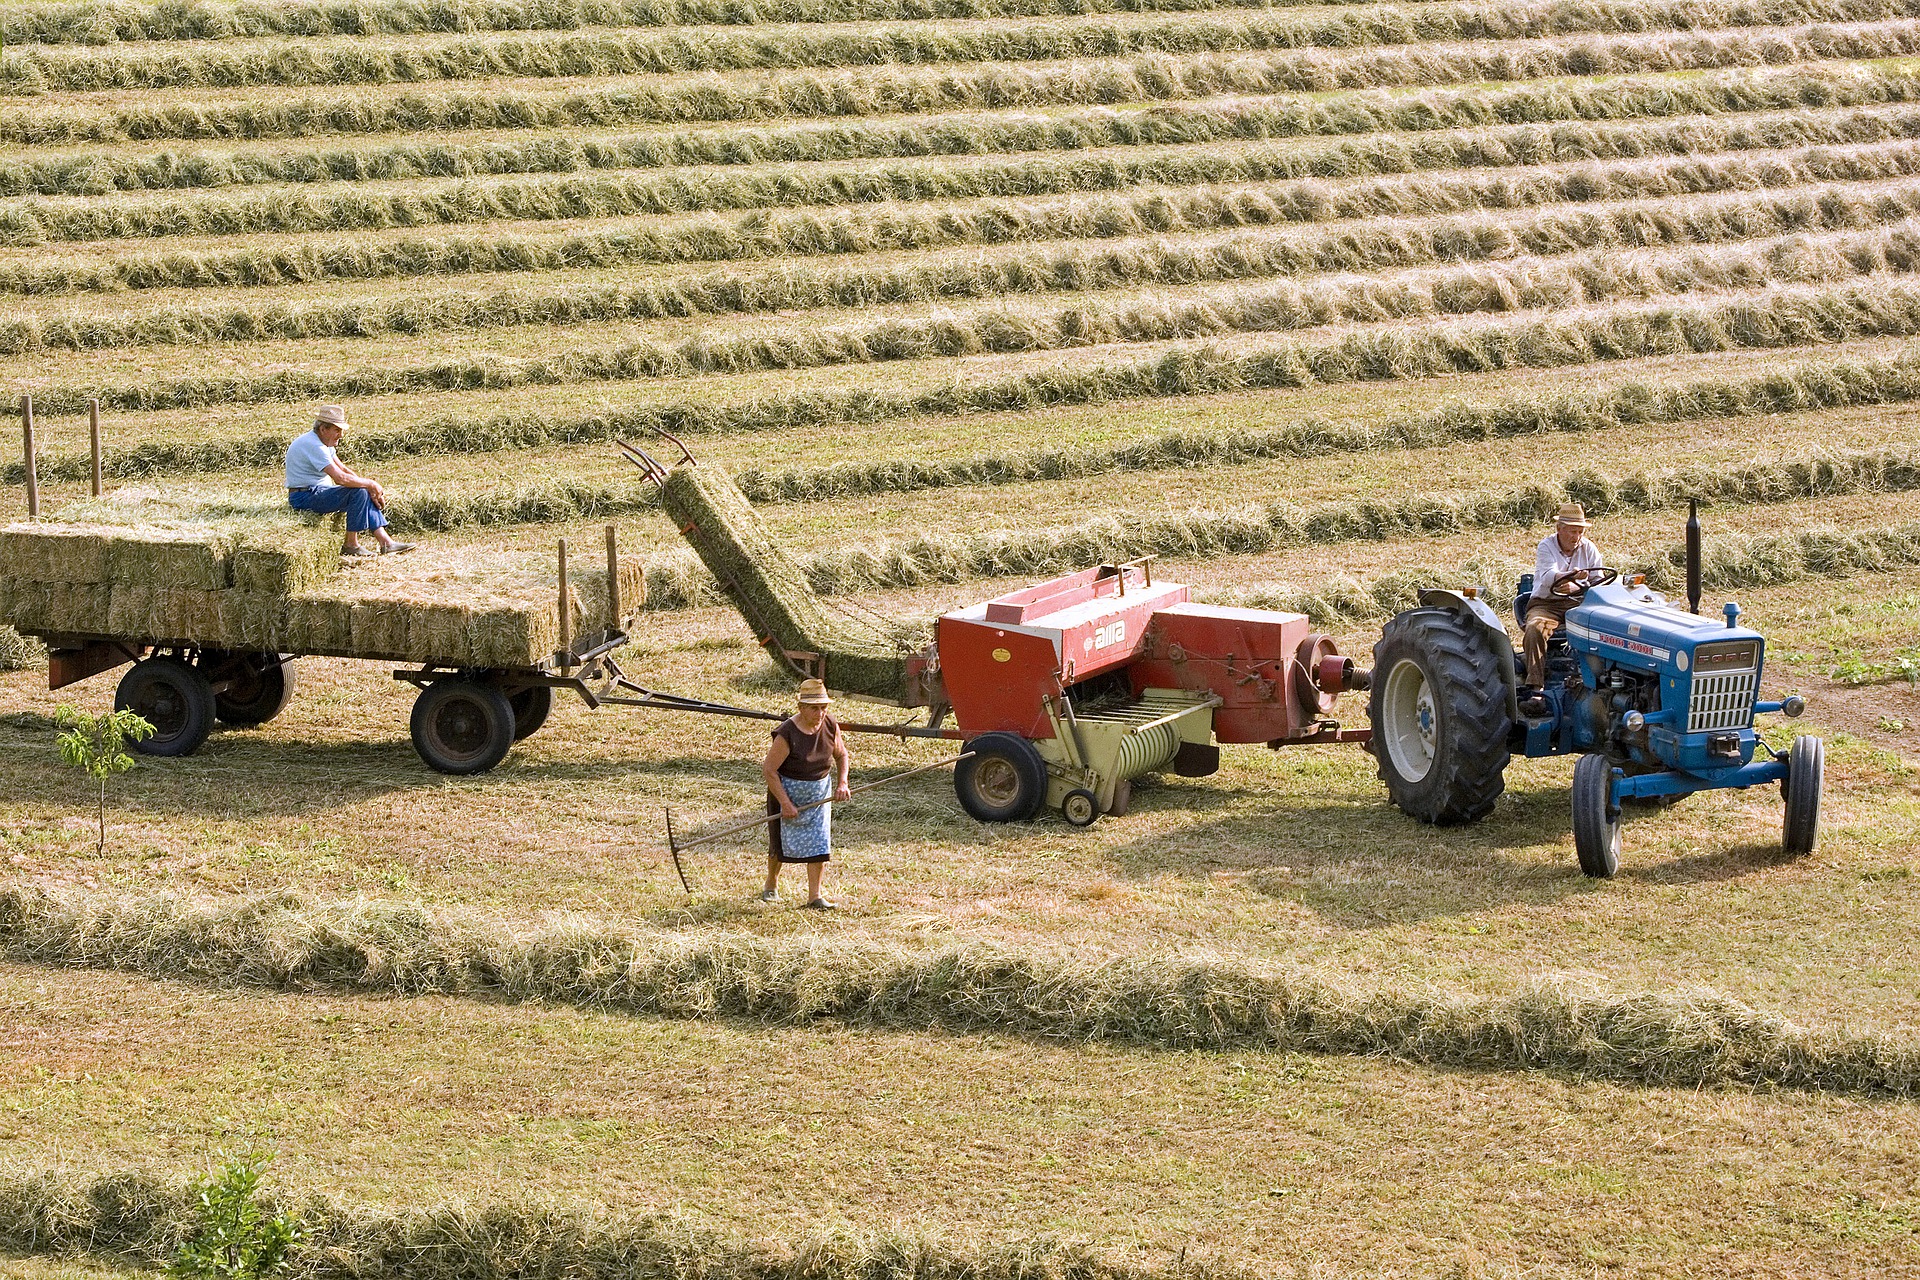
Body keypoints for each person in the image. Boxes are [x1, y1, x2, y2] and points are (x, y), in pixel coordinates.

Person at [761, 678, 852, 909]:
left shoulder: (830, 725)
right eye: (814, 708)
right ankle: (771, 884)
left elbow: (841, 755)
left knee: (820, 844)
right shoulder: (787, 733)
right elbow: (769, 770)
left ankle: (815, 896)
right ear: (801, 707)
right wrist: (785, 802)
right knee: (780, 843)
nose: (820, 713)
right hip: (787, 792)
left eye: (824, 707)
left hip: (819, 794)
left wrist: (842, 783)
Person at [285, 405, 416, 558]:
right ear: (323, 429)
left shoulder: (321, 442)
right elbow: (340, 478)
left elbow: (344, 470)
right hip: (304, 497)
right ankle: (351, 545)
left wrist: (368, 487)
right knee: (358, 491)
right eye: (337, 430)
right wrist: (371, 484)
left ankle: (386, 542)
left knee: (361, 488)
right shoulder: (314, 446)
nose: (341, 435)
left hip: (316, 492)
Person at [1521, 502, 1604, 714]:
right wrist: (1567, 577)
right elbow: (1548, 575)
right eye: (1572, 531)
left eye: (1580, 531)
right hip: (1547, 603)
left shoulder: (1589, 548)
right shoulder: (1546, 546)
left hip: (1579, 603)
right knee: (1535, 630)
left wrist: (1577, 585)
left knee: (1606, 630)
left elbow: (1599, 581)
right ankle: (1536, 690)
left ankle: (1597, 682)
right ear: (1560, 529)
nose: (1576, 537)